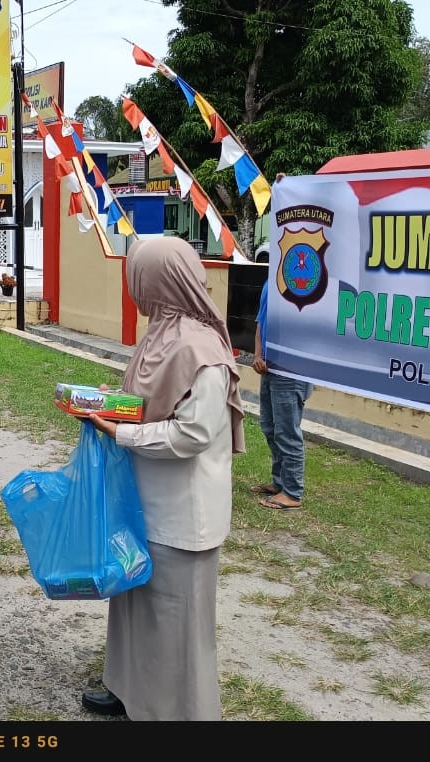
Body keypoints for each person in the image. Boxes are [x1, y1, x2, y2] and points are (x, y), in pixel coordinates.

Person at [80, 237, 246, 721]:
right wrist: (104, 408)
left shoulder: (201, 349)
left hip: (182, 513)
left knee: (176, 622)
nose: (134, 287)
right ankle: (128, 689)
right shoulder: (161, 333)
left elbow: (192, 434)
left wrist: (123, 433)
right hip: (144, 503)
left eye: (139, 276)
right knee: (135, 606)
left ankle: (179, 712)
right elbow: (144, 401)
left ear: (159, 281)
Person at [252, 175, 311, 511]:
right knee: (270, 426)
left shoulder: (307, 283)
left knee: (288, 430)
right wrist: (258, 355)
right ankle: (279, 482)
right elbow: (261, 321)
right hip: (269, 365)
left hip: (292, 369)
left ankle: (293, 491)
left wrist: (290, 190)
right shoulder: (270, 280)